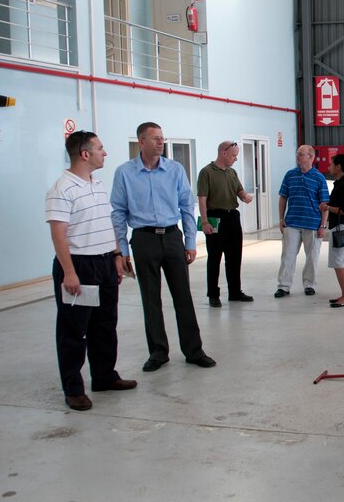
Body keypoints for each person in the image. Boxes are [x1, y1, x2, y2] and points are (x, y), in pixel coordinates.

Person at [110, 122, 216, 372]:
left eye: (162, 138)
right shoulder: (124, 173)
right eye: (155, 138)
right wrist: (122, 250)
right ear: (141, 141)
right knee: (150, 298)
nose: (161, 142)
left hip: (171, 237)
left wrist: (190, 242)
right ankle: (158, 352)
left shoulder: (175, 170)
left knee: (183, 296)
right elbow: (118, 212)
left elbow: (186, 208)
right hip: (143, 239)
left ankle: (194, 350)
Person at [45, 131, 137, 411]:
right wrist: (69, 273)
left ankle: (104, 376)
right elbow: (58, 235)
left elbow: (106, 224)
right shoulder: (62, 189)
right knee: (74, 330)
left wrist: (116, 257)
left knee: (105, 324)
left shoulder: (97, 185)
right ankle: (73, 389)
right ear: (85, 154)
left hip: (104, 262)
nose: (104, 153)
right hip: (79, 265)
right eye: (100, 148)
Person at [197, 141, 254, 308]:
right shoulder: (206, 172)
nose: (235, 159)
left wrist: (245, 196)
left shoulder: (232, 172)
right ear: (223, 153)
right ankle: (213, 294)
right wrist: (205, 221)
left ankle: (235, 292)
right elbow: (202, 199)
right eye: (233, 155)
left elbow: (239, 190)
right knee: (214, 258)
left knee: (235, 257)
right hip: (216, 217)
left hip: (232, 217)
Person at [275, 144, 329, 298]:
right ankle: (283, 286)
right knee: (287, 256)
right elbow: (283, 197)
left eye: (300, 154)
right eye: (297, 154)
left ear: (311, 157)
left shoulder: (319, 178)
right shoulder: (290, 175)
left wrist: (322, 226)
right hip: (292, 223)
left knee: (312, 257)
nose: (297, 157)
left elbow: (325, 204)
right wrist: (281, 218)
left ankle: (309, 284)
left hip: (312, 224)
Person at [320, 154, 344, 308]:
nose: (328, 167)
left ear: (338, 167)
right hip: (340, 225)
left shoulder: (343, 184)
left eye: (331, 164)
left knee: (339, 263)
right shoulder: (340, 183)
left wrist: (327, 207)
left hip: (340, 226)